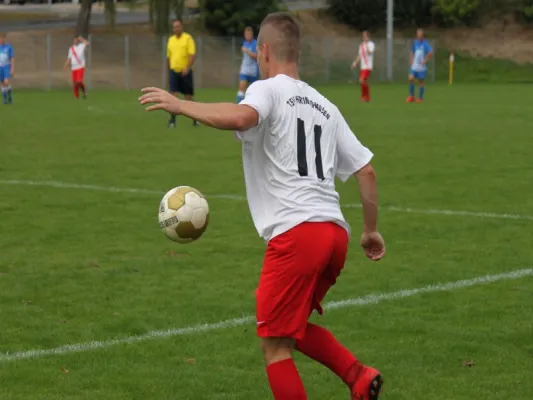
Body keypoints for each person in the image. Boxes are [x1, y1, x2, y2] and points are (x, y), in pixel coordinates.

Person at [139, 12, 386, 400]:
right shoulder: (326, 106)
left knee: (275, 345)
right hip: (334, 235)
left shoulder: (267, 90)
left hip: (297, 235)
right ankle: (358, 377)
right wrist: (370, 230)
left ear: (263, 51)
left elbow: (241, 116)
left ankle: (355, 376)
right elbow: (366, 170)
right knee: (293, 327)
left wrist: (182, 106)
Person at [166, 19, 198, 128]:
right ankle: (172, 120)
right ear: (172, 29)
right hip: (174, 71)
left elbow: (192, 54)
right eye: (174, 27)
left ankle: (196, 118)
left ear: (182, 27)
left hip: (185, 73)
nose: (176, 28)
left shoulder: (188, 38)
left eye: (178, 26)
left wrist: (187, 68)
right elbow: (169, 57)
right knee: (173, 96)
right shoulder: (171, 40)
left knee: (188, 97)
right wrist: (169, 70)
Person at [406, 28, 432, 103]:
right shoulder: (415, 43)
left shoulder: (425, 43)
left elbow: (430, 52)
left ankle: (420, 98)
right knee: (411, 78)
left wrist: (425, 60)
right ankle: (411, 96)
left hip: (421, 67)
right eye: (418, 35)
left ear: (422, 36)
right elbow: (412, 52)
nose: (419, 36)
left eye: (420, 35)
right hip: (414, 66)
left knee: (421, 82)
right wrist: (411, 61)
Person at [237, 26, 259, 103]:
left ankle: (253, 105)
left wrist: (247, 51)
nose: (247, 36)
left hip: (253, 70)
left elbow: (256, 57)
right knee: (241, 86)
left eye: (249, 34)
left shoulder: (255, 43)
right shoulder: (245, 43)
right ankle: (239, 105)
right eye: (246, 34)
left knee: (253, 90)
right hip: (245, 69)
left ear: (252, 35)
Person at [351, 31, 375, 102]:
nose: (364, 37)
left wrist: (367, 44)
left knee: (361, 80)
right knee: (362, 81)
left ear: (368, 36)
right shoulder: (361, 45)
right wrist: (354, 63)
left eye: (365, 36)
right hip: (363, 67)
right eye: (363, 36)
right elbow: (359, 56)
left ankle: (366, 97)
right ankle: (364, 97)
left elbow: (369, 52)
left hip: (368, 66)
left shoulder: (371, 44)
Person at [63, 35, 89, 100]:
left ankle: (84, 91)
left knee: (79, 81)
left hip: (80, 66)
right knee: (75, 83)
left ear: (78, 40)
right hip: (74, 68)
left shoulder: (81, 46)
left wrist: (82, 39)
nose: (75, 41)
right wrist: (65, 65)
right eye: (74, 40)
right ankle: (76, 97)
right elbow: (69, 58)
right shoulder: (71, 48)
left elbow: (87, 43)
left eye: (77, 40)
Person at [0, 33, 15, 105]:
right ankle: (5, 99)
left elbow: (12, 58)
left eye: (2, 38)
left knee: (6, 82)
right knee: (2, 84)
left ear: (4, 38)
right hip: (0, 68)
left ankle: (9, 96)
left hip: (6, 66)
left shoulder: (9, 47)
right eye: (0, 38)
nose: (1, 40)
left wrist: (12, 68)